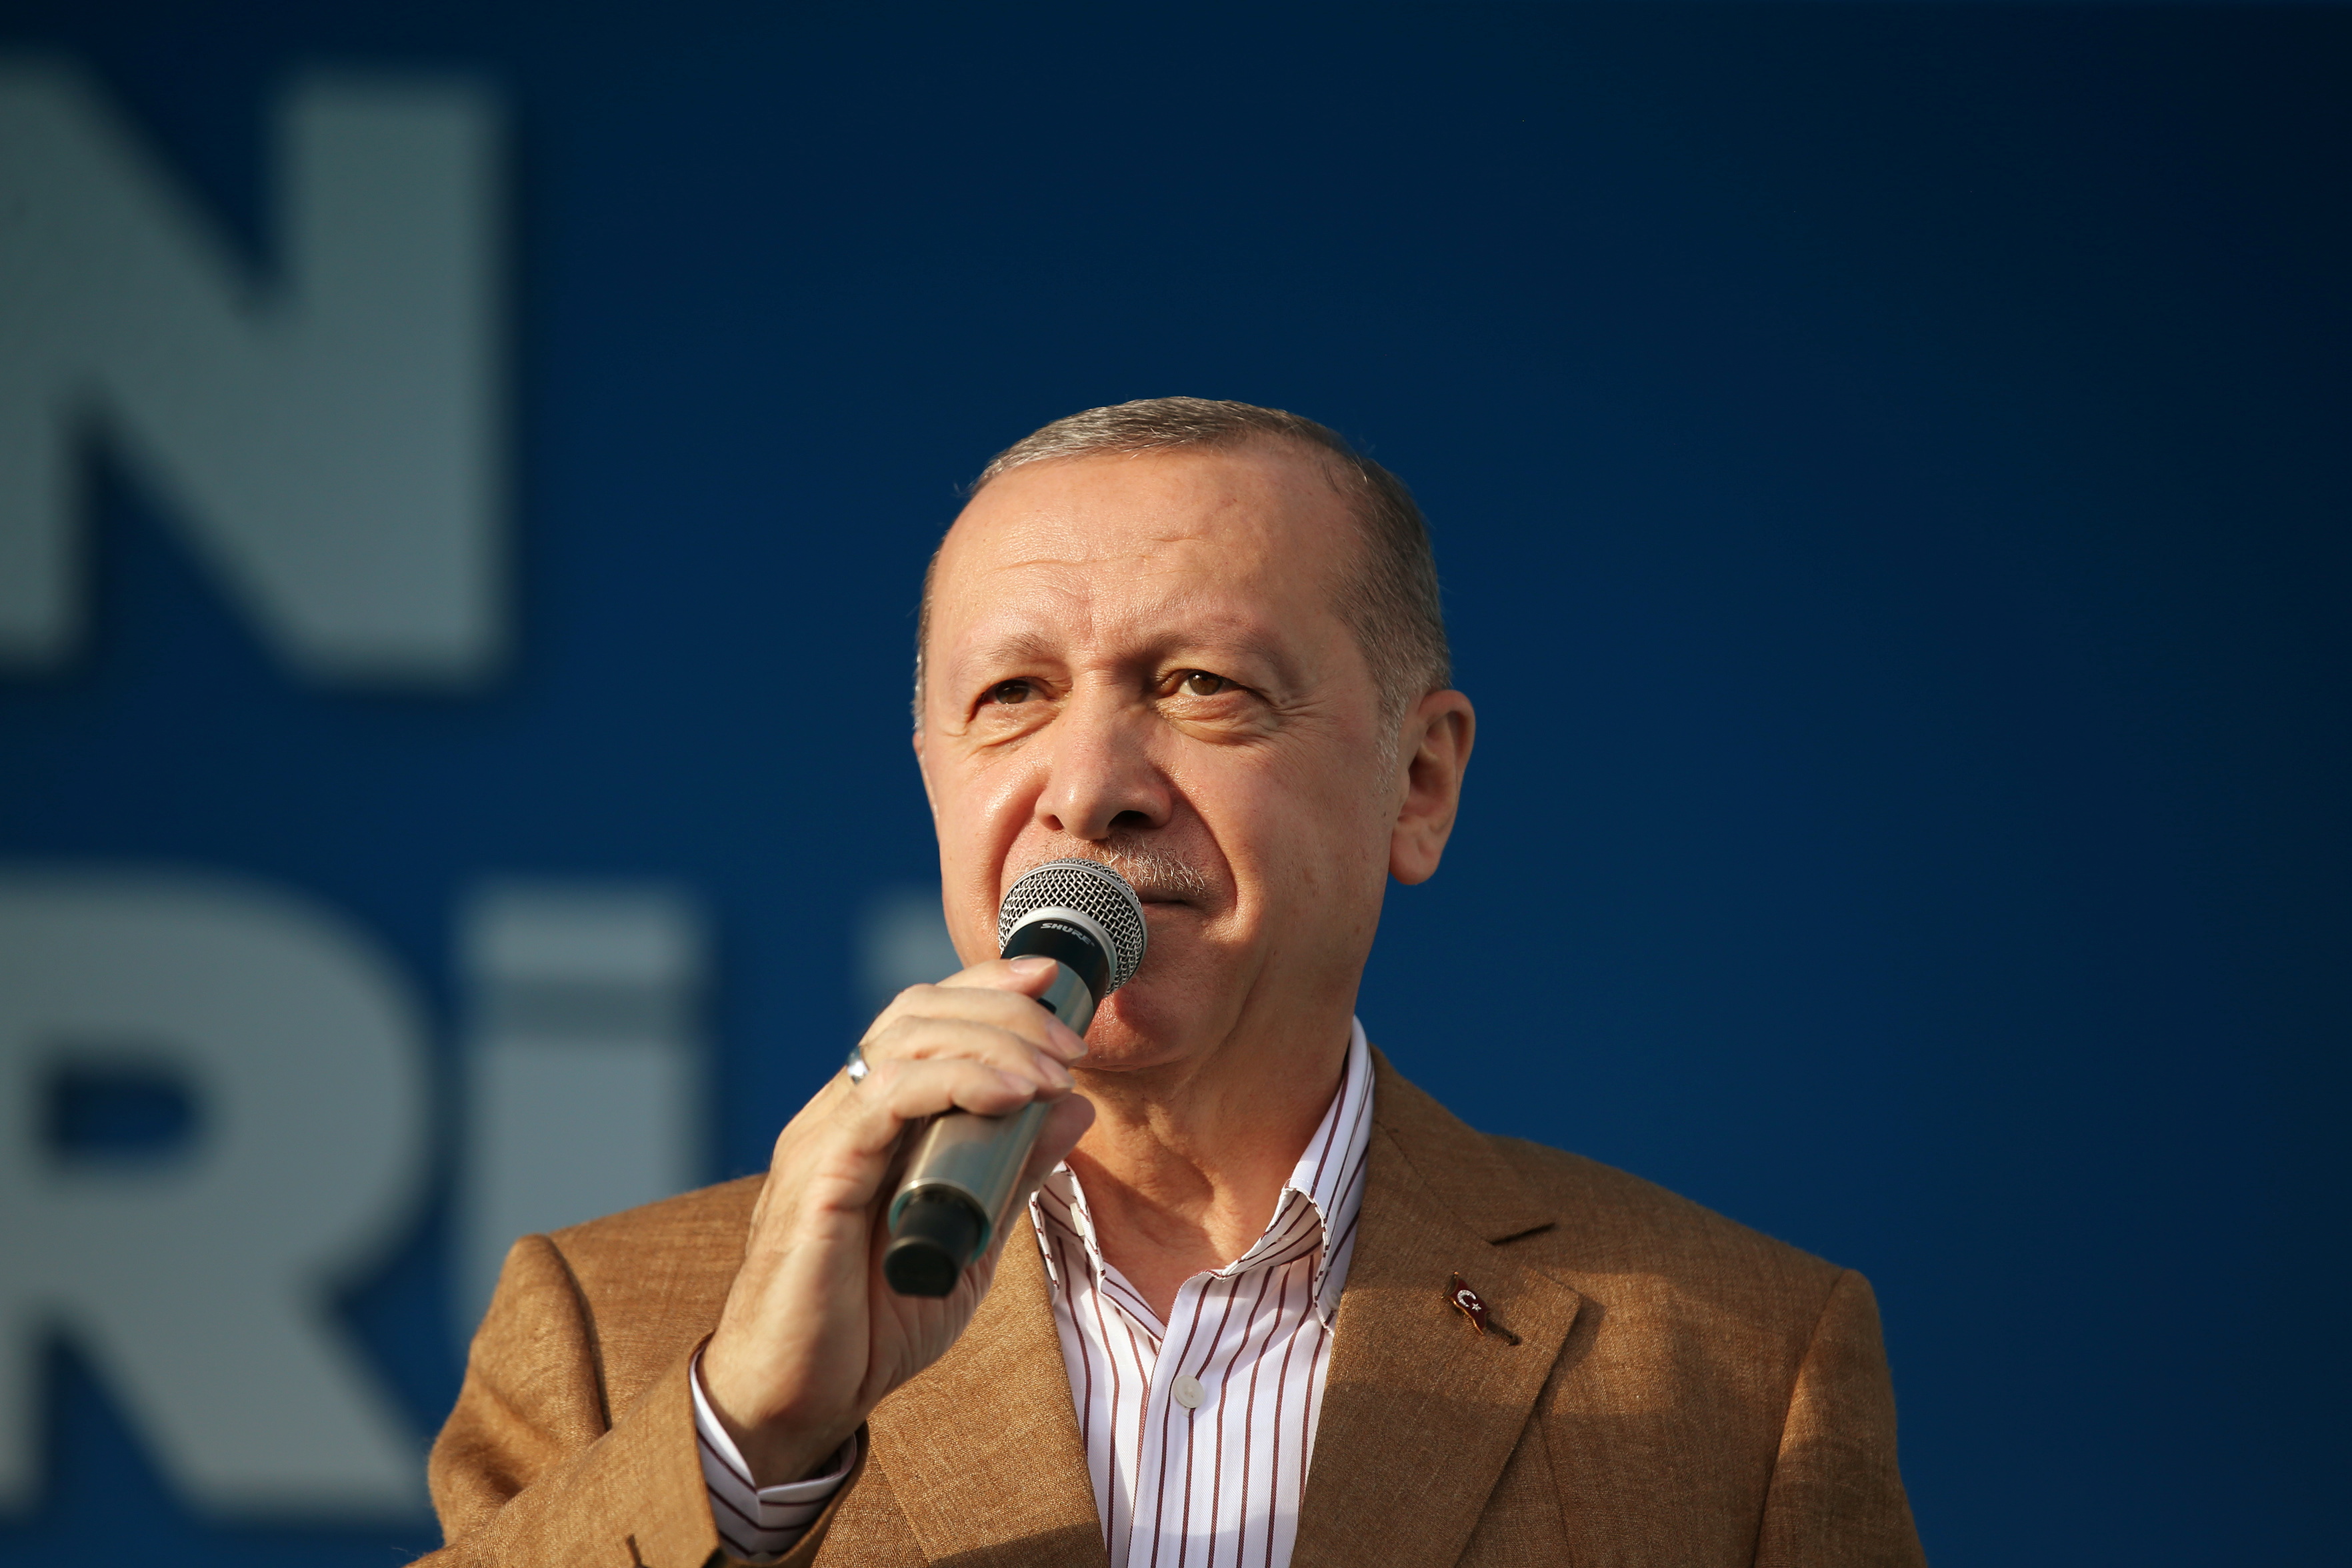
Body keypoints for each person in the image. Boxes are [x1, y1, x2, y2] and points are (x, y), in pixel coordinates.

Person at [424, 398, 1926, 1567]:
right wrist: (750, 1445)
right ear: (935, 781)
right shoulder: (619, 1333)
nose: (1089, 788)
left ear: (1419, 780)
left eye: (1200, 685)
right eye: (1012, 697)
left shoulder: (1738, 1360)